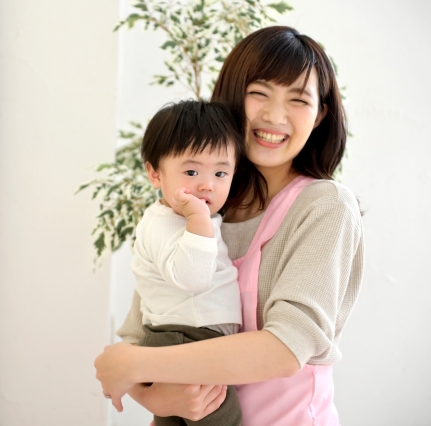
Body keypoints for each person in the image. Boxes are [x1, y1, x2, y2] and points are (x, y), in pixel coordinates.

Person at [96, 26, 364, 426]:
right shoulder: (200, 204)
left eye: (298, 99)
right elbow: (141, 329)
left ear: (320, 116)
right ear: (233, 96)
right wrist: (155, 398)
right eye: (259, 93)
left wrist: (137, 365)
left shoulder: (325, 206)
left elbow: (285, 349)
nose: (275, 116)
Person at [127, 99, 244, 426]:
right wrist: (198, 219)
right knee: (224, 419)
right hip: (186, 338)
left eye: (221, 173)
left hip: (185, 339)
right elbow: (194, 279)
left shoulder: (189, 219)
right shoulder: (164, 223)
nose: (207, 184)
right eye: (191, 172)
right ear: (155, 173)